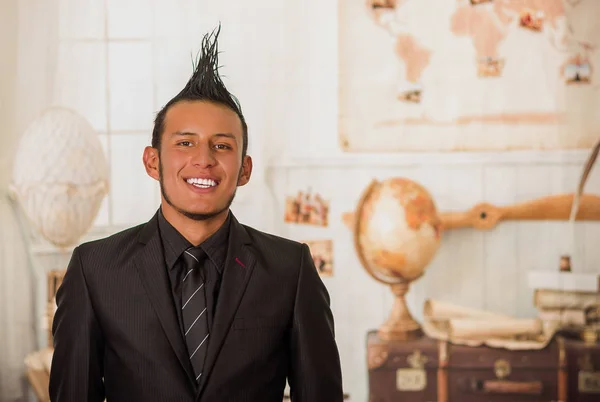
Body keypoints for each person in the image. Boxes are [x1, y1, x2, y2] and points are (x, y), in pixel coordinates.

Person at [49, 26, 343, 402]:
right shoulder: (96, 269)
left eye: (221, 146)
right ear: (152, 161)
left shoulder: (290, 268)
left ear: (245, 169)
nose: (203, 159)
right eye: (185, 143)